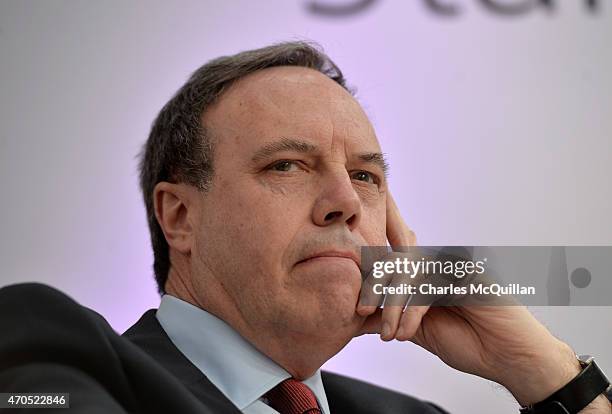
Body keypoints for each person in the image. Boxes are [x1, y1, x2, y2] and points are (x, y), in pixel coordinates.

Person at [0, 41, 609, 414]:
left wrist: (548, 377)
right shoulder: (57, 364)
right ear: (179, 216)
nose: (343, 201)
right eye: (287, 165)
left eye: (366, 177)